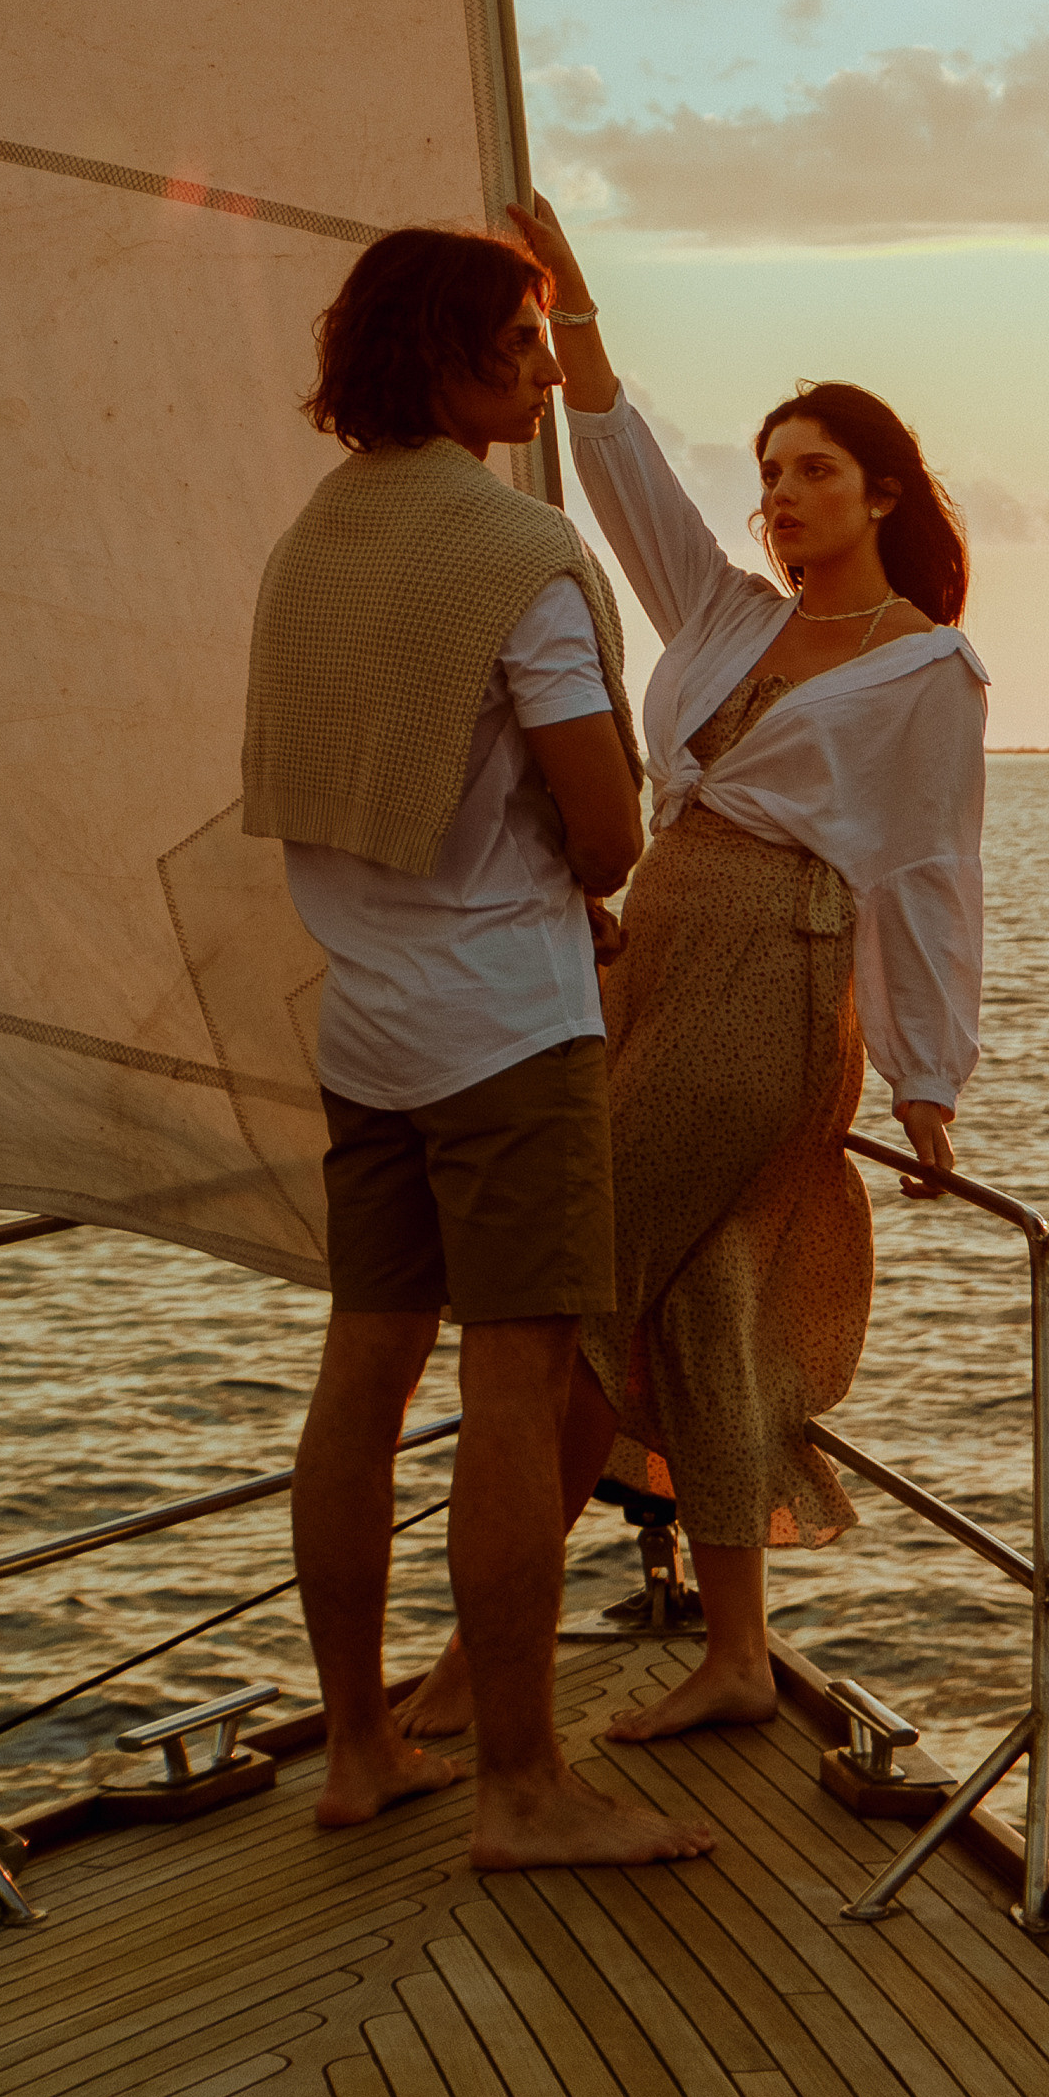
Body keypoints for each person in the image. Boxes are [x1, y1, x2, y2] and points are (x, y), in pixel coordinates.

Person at [398, 191, 987, 1750]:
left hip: (777, 983)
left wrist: (927, 1078)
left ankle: (480, 1655)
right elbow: (616, 460)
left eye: (814, 474)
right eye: (770, 476)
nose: (782, 499)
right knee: (704, 1299)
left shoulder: (928, 665)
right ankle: (734, 1651)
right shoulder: (725, 617)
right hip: (657, 953)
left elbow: (928, 873)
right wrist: (574, 312)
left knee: (581, 1275)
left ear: (882, 493)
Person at [243, 223, 714, 1869]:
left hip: (365, 1024)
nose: (536, 369)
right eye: (516, 341)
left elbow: (361, 797)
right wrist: (586, 869)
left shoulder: (313, 544)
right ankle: (524, 1785)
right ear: (441, 356)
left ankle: (363, 1746)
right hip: (510, 1033)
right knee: (516, 1389)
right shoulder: (512, 555)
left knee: (360, 1379)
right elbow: (599, 836)